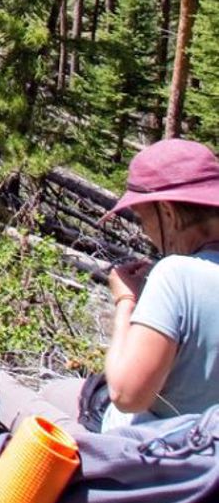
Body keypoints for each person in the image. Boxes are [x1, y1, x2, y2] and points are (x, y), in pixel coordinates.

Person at [96, 138, 219, 429]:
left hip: (160, 461)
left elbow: (126, 395)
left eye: (143, 219)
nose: (146, 232)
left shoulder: (176, 275)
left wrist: (126, 302)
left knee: (29, 397)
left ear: (168, 212)